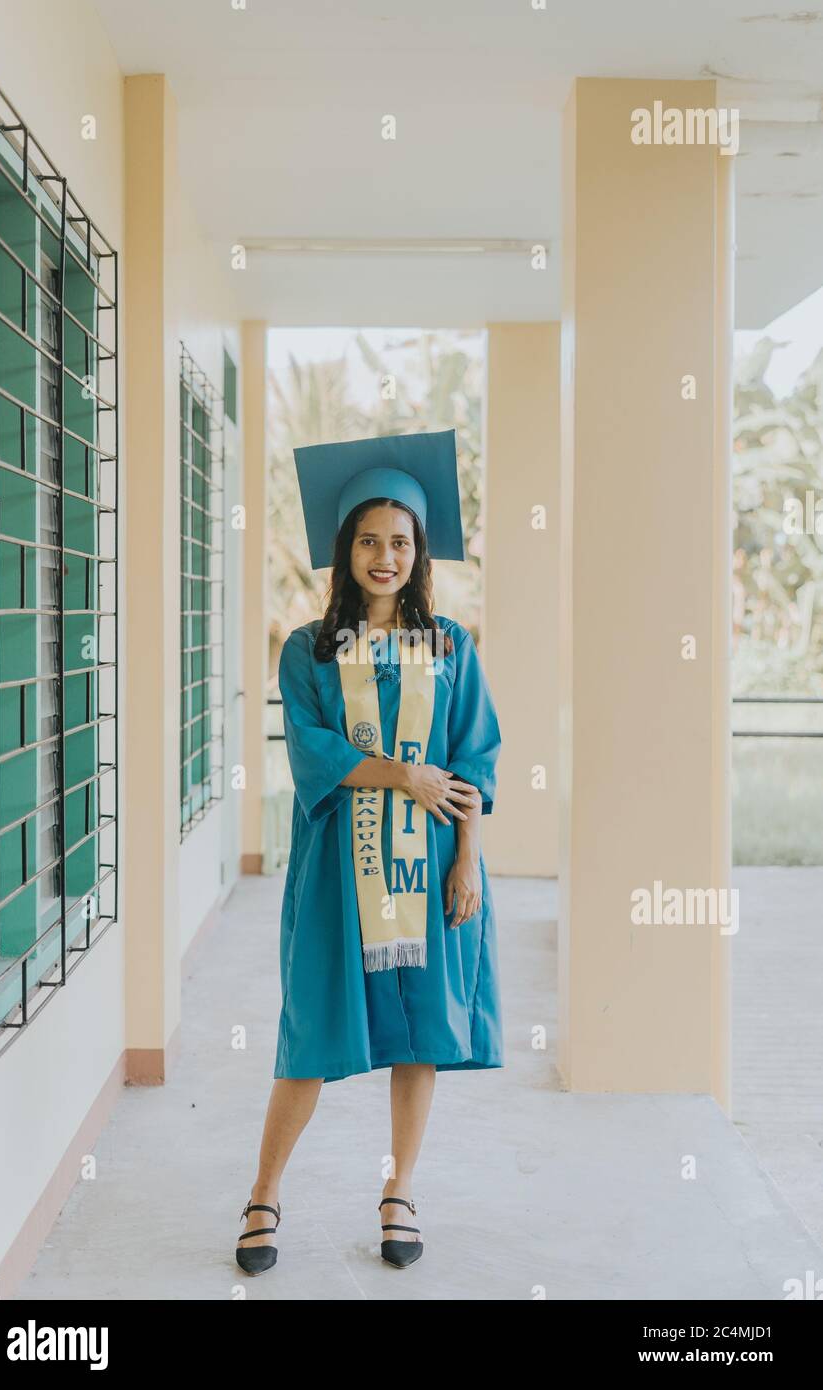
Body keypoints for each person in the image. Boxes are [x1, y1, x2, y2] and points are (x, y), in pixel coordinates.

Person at [235, 428, 503, 1276]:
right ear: (345, 550)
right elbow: (315, 754)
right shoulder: (308, 653)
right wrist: (406, 778)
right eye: (367, 540)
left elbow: (475, 758)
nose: (383, 557)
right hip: (335, 880)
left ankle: (399, 1193)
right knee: (310, 1032)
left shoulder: (452, 646)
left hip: (429, 874)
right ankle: (264, 1195)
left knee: (421, 1033)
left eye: (399, 542)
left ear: (418, 553)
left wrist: (468, 857)